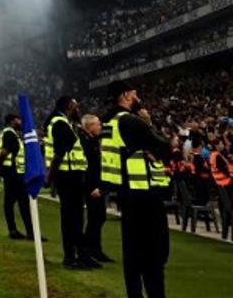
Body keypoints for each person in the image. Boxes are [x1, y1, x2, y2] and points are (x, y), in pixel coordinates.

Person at [101, 80, 172, 298]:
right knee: (154, 254)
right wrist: (149, 123)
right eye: (134, 92)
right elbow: (164, 148)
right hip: (144, 195)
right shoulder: (131, 121)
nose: (138, 95)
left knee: (132, 253)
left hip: (125, 194)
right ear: (126, 95)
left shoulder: (107, 123)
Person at [46, 96, 95, 269]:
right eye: (75, 105)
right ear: (68, 106)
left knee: (76, 217)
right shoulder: (59, 122)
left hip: (73, 174)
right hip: (67, 175)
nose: (77, 108)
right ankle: (70, 256)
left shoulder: (65, 123)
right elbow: (59, 152)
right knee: (70, 218)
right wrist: (49, 176)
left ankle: (81, 254)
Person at [80, 113, 114, 263]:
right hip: (91, 186)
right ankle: (87, 250)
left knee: (98, 218)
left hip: (96, 185)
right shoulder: (85, 143)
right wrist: (93, 187)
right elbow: (88, 168)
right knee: (96, 219)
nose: (100, 127)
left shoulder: (93, 141)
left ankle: (95, 250)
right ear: (89, 126)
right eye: (97, 124)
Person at [0, 114, 34, 240]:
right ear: (12, 121)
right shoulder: (9, 134)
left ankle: (25, 231)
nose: (20, 121)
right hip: (13, 173)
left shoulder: (13, 134)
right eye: (18, 119)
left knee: (18, 202)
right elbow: (4, 152)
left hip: (16, 172)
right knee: (16, 202)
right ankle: (17, 230)